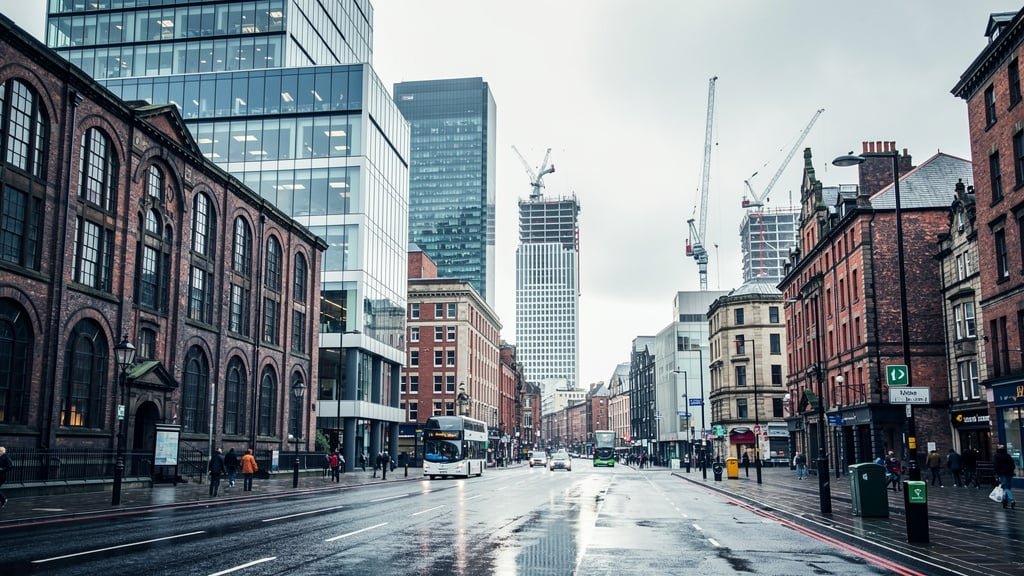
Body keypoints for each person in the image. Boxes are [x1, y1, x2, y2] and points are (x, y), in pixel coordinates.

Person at [993, 444, 1016, 510]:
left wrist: (996, 473)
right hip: (1009, 473)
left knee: (1005, 487)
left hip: (1002, 473)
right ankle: (1005, 501)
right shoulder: (1008, 456)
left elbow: (996, 465)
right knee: (1007, 487)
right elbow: (1013, 465)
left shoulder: (996, 456)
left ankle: (1012, 500)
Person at [0, 446, 13, 511]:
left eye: (0, 451)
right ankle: (2, 500)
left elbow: (10, 466)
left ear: (2, 451)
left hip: (1, 476)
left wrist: (1, 469)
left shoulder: (6, 457)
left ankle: (3, 499)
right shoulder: (0, 457)